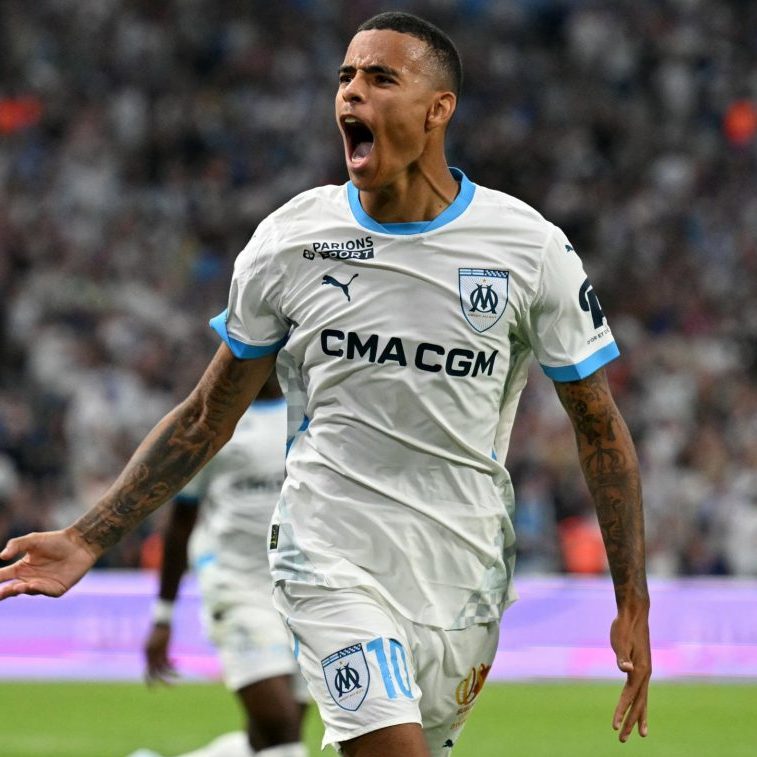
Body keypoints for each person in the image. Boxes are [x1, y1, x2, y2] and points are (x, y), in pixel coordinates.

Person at [0, 11, 651, 756]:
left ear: (439, 109)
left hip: (462, 571)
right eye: (344, 76)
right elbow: (206, 415)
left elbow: (598, 426)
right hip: (326, 552)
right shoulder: (291, 242)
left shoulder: (528, 249)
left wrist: (631, 599)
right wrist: (89, 535)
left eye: (379, 77)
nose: (351, 93)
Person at [127, 375, 309, 757]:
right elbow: (180, 524)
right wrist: (163, 615)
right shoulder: (212, 424)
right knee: (282, 735)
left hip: (301, 590)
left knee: (266, 738)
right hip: (235, 583)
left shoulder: (311, 412)